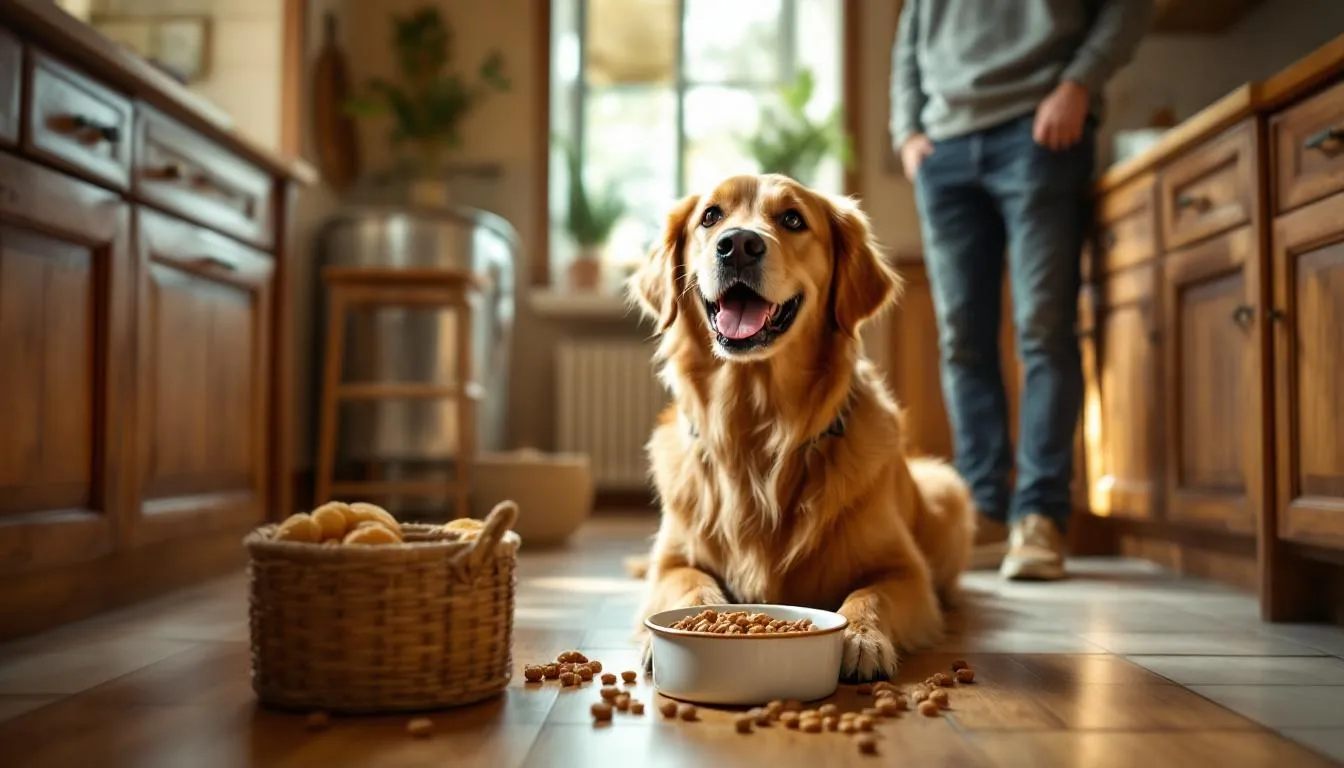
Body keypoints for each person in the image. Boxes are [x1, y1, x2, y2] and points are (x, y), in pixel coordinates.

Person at [892, 0, 1154, 580]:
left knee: (1044, 330)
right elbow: (911, 34)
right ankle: (984, 511)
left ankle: (1040, 517)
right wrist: (906, 131)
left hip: (1041, 130)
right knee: (962, 340)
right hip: (943, 151)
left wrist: (1078, 83)